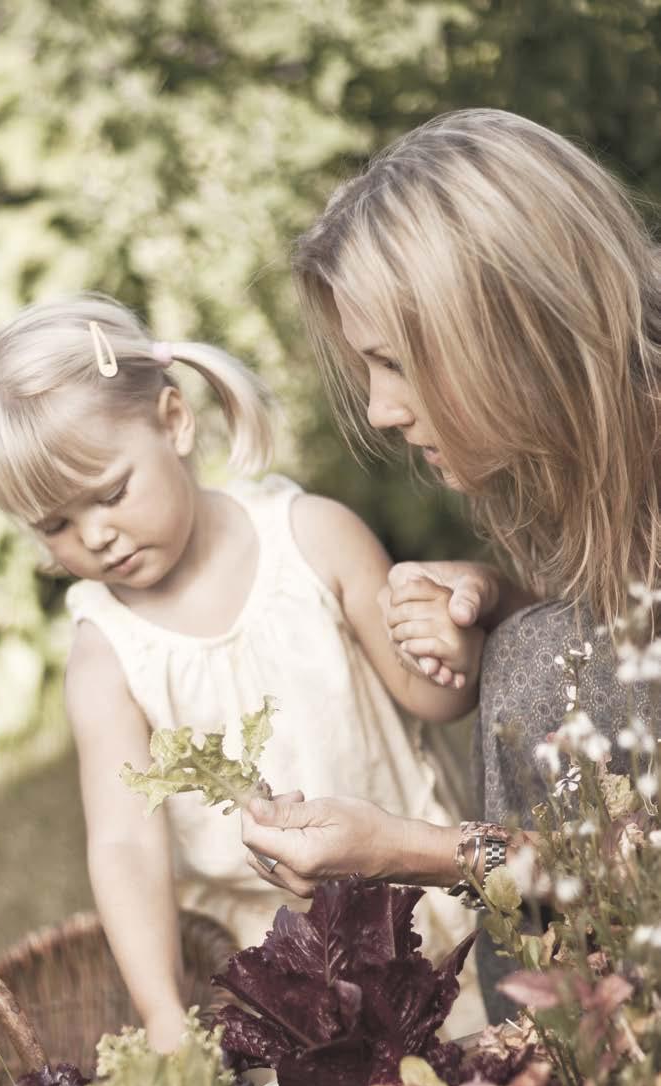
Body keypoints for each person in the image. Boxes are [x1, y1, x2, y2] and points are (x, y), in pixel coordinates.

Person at [0, 293, 487, 1050]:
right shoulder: (107, 650)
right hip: (281, 973)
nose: (96, 535)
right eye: (56, 525)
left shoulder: (311, 537)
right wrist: (163, 1012)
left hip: (424, 903)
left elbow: (431, 697)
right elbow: (124, 844)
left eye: (110, 493)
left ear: (174, 422)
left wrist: (456, 650)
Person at [240, 108, 659, 1021]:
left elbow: (644, 882)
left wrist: (408, 848)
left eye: (397, 363)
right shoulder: (603, 491)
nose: (383, 410)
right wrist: (503, 601)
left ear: (505, 325)